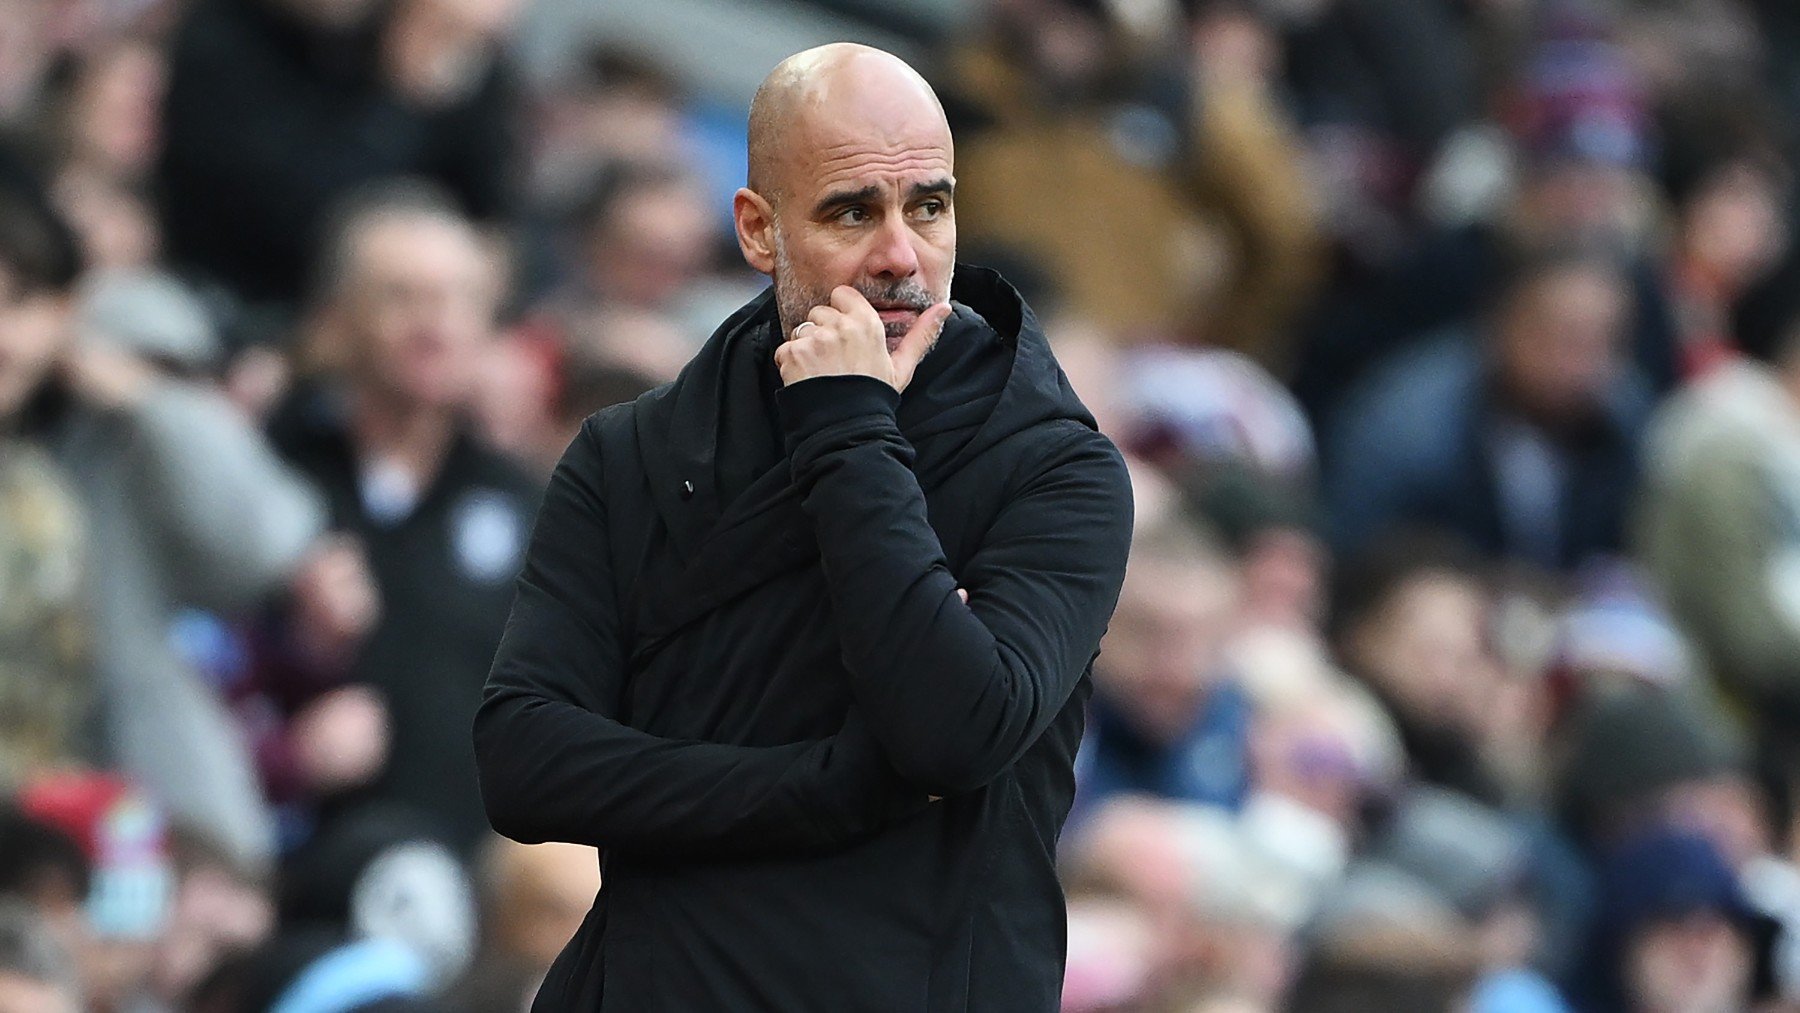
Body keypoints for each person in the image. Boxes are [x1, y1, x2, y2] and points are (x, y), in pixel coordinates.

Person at [473, 42, 1134, 1011]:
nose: (901, 256)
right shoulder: (634, 452)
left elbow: (954, 731)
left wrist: (849, 426)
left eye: (931, 207)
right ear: (756, 229)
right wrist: (821, 785)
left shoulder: (1052, 465)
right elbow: (525, 758)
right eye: (852, 211)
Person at [270, 181, 540, 855]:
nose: (436, 326)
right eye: (403, 297)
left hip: (465, 862)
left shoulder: (523, 500)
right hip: (290, 844)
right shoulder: (272, 462)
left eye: (460, 300)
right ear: (336, 317)